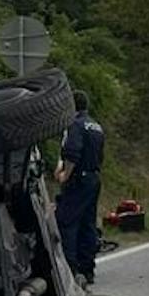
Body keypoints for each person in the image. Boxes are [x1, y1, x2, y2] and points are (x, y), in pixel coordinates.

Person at [54, 90, 105, 285]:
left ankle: (71, 269)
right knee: (88, 223)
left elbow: (72, 152)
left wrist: (65, 174)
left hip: (79, 179)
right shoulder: (95, 126)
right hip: (93, 178)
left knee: (67, 221)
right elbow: (100, 155)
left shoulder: (74, 125)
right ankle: (88, 269)